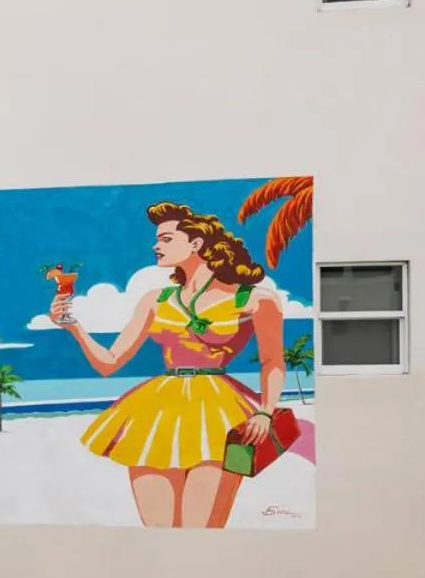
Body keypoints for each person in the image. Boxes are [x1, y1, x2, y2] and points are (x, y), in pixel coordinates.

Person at [52, 202, 286, 528]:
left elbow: (273, 360)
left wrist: (266, 411)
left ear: (196, 243)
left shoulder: (255, 299)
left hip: (221, 415)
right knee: (158, 534)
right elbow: (110, 362)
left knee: (203, 533)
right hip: (156, 413)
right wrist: (72, 325)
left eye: (165, 238)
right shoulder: (154, 300)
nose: (155, 245)